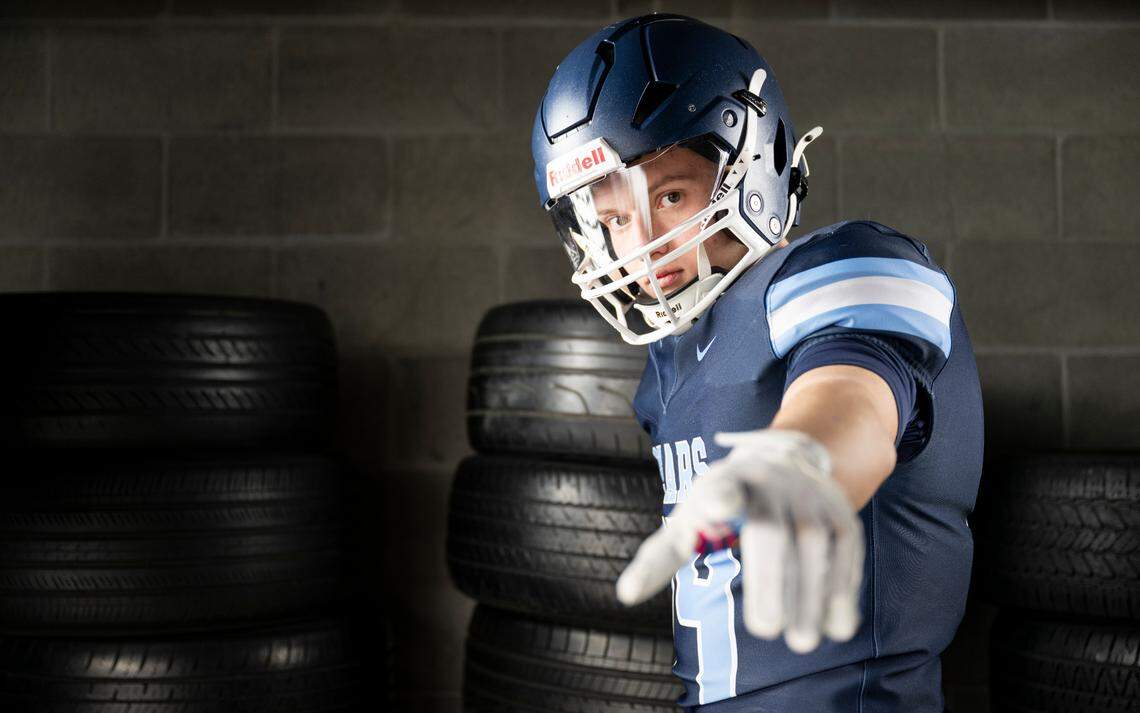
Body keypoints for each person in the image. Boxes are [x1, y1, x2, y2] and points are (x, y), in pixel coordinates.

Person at [530, 13, 984, 713]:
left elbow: (854, 394)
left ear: (755, 164)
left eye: (670, 195)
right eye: (615, 219)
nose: (640, 245)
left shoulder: (842, 264)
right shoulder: (669, 360)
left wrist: (800, 460)